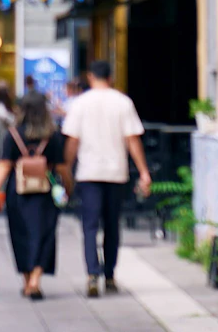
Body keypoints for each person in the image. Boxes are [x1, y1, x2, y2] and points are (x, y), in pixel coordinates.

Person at [62, 60, 151, 297]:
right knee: (112, 225)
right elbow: (133, 139)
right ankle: (110, 275)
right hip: (116, 172)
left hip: (88, 173)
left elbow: (72, 141)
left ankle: (92, 273)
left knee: (89, 225)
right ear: (111, 77)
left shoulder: (79, 104)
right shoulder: (123, 102)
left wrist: (66, 169)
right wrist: (143, 171)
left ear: (90, 77)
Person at [0, 92, 70, 300]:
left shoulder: (13, 134)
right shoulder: (53, 135)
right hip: (45, 192)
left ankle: (27, 282)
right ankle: (35, 279)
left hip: (18, 190)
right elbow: (62, 167)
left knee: (21, 234)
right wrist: (69, 188)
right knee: (44, 235)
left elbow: (4, 163)